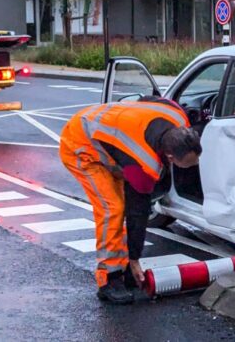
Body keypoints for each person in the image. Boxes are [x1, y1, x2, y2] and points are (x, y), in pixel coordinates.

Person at [59, 97, 201, 304]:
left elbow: (153, 99)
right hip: (81, 146)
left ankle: (122, 265)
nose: (191, 168)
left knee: (118, 205)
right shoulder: (142, 161)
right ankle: (109, 279)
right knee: (112, 208)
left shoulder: (177, 116)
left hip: (104, 128)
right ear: (170, 156)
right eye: (185, 164)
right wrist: (135, 258)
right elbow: (138, 212)